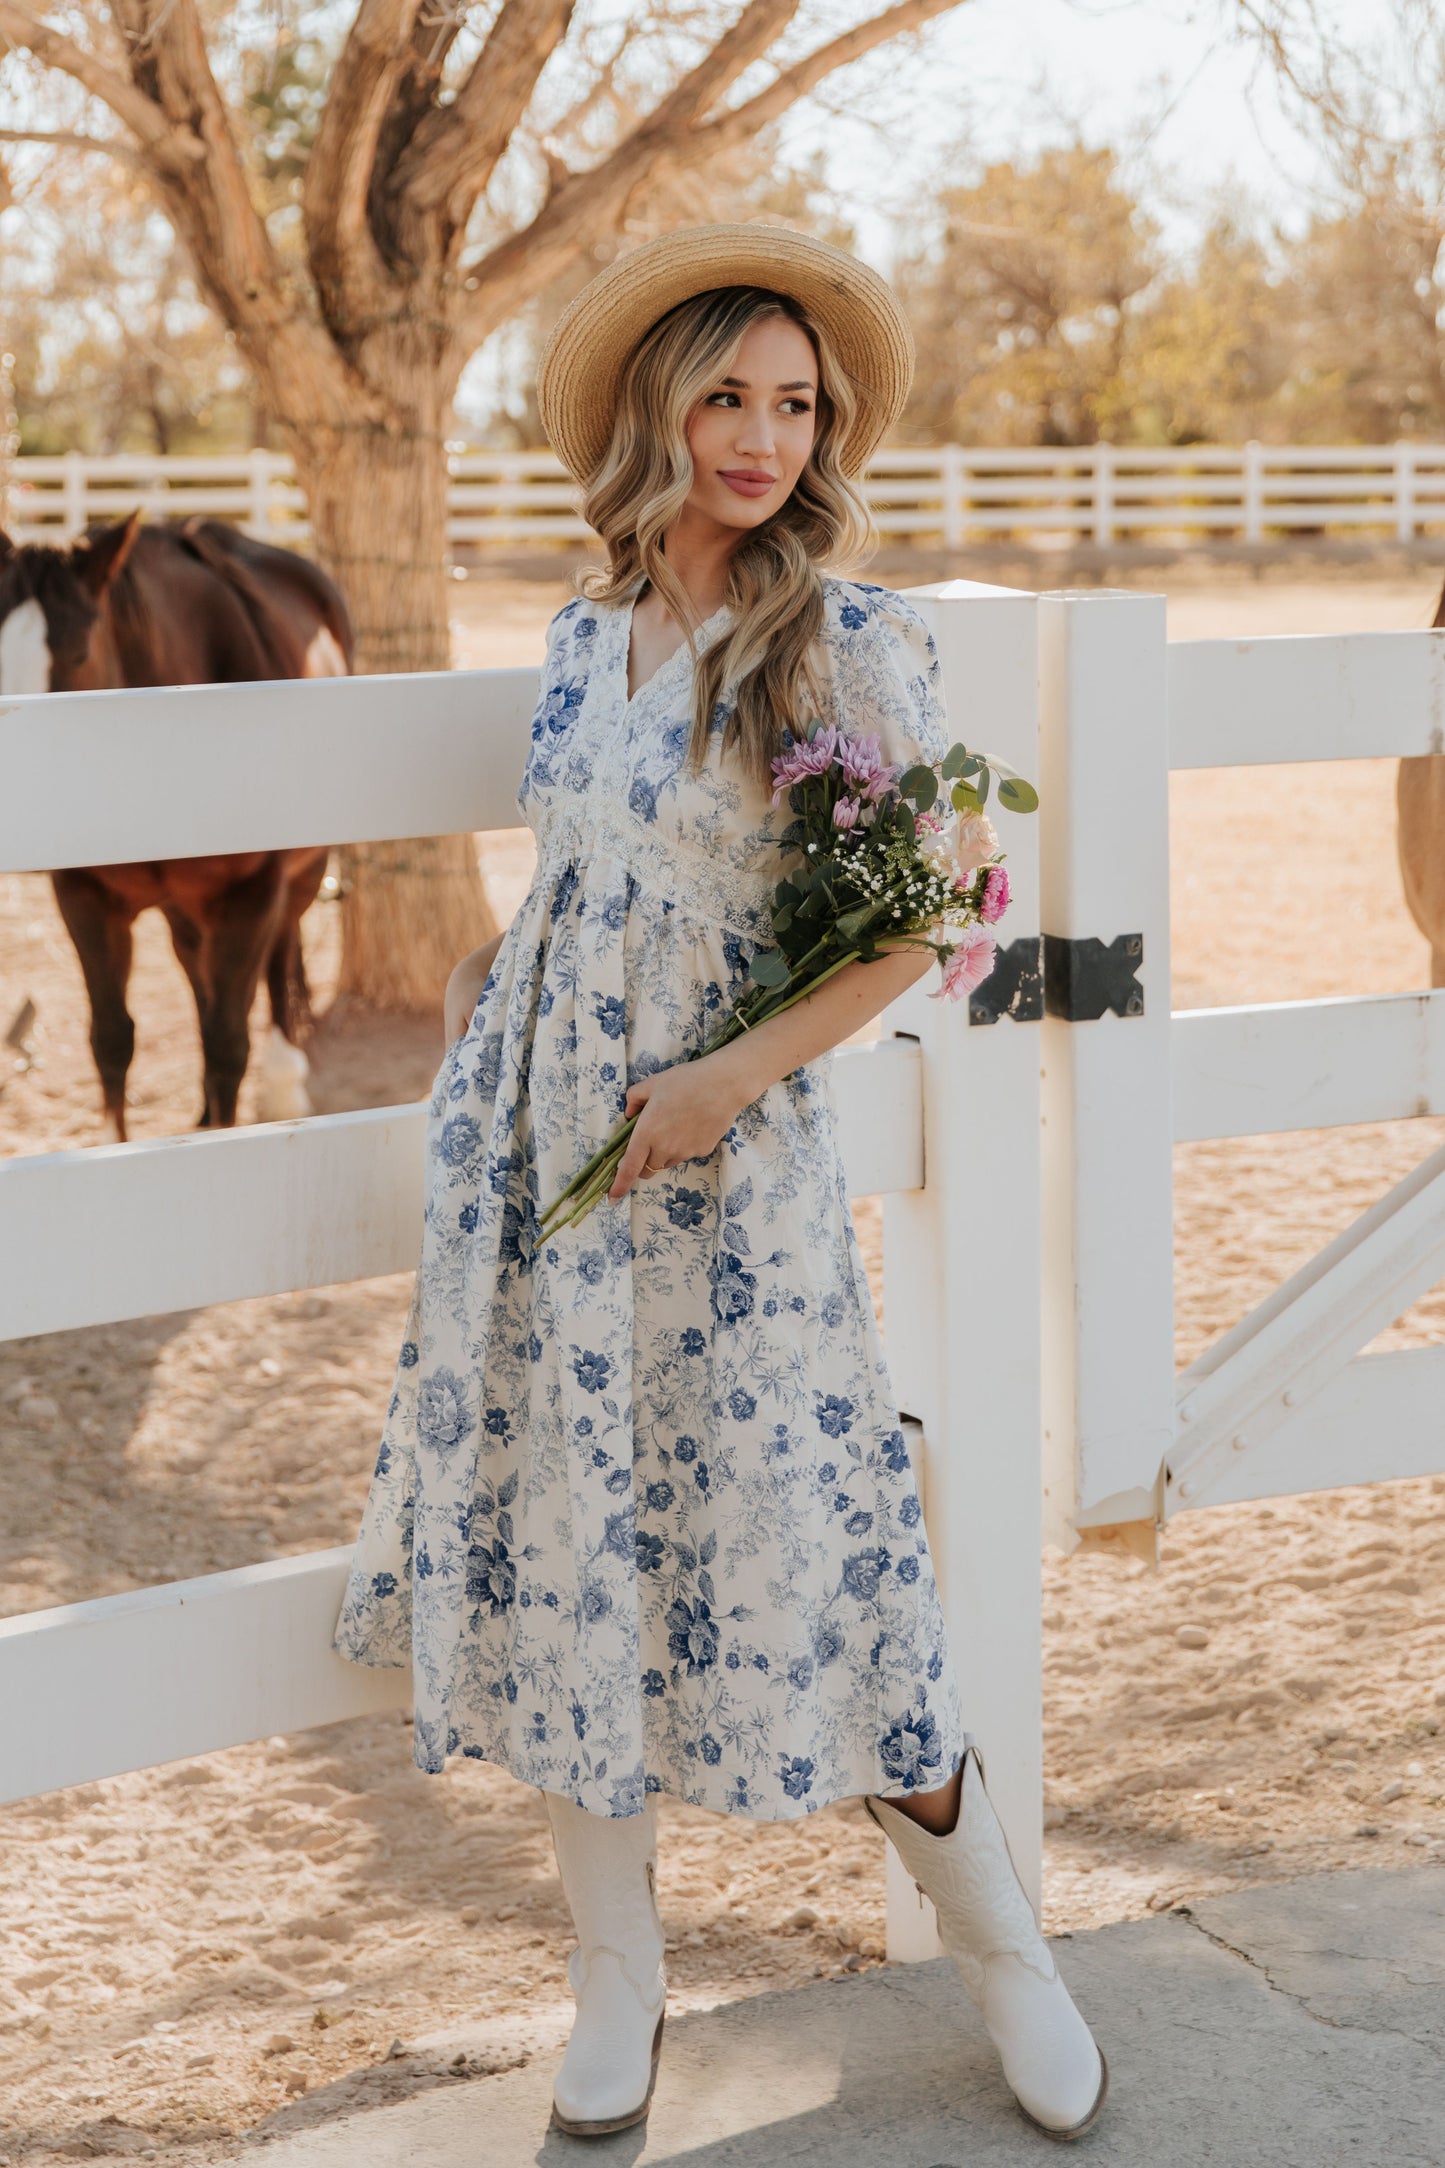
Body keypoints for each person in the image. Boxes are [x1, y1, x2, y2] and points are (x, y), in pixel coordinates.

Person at [333, 224, 1105, 2143]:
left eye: (794, 403)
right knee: (580, 1549)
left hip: (735, 1183)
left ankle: (1000, 1940)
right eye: (727, 396)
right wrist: (490, 997)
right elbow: (582, 875)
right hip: (555, 1181)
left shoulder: (847, 642)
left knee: (823, 1553)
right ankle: (619, 1978)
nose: (762, 436)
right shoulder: (585, 638)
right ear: (655, 406)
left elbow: (918, 923)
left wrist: (730, 1072)